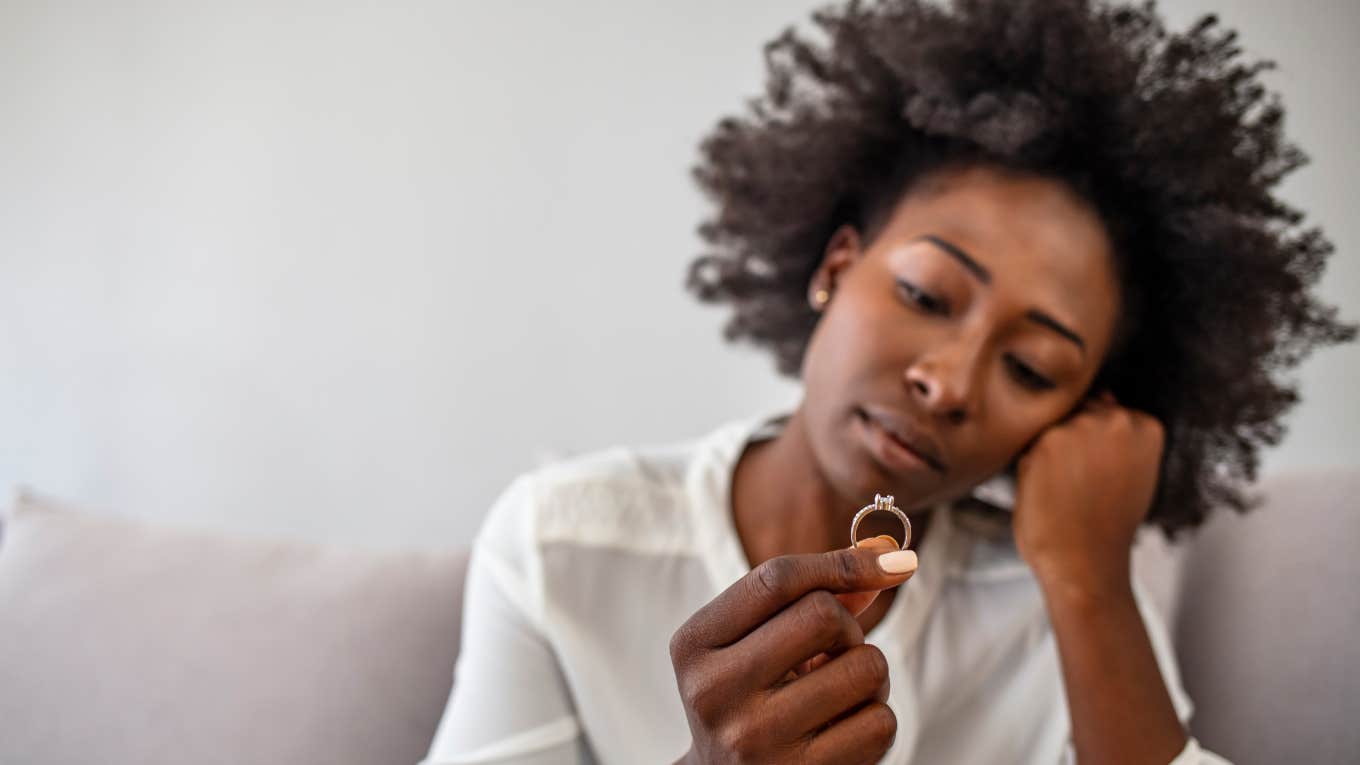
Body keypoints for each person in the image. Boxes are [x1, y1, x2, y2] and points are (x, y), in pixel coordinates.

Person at [422, 0, 1356, 762]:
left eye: (1032, 367)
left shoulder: (1063, 598)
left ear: (1078, 414)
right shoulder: (564, 545)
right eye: (925, 291)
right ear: (836, 265)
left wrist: (1086, 582)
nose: (949, 383)